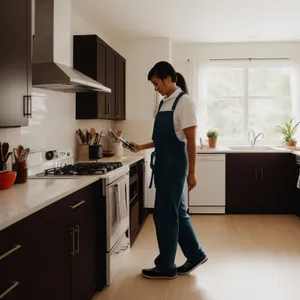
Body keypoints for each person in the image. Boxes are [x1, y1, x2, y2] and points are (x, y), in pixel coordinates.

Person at [126, 61, 207, 280]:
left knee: (165, 214)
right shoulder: (164, 103)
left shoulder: (184, 102)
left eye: (156, 83)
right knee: (177, 212)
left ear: (169, 78)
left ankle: (166, 265)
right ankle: (195, 254)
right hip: (162, 162)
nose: (155, 88)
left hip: (174, 165)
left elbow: (190, 141)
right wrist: (140, 146)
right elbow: (160, 139)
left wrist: (192, 172)